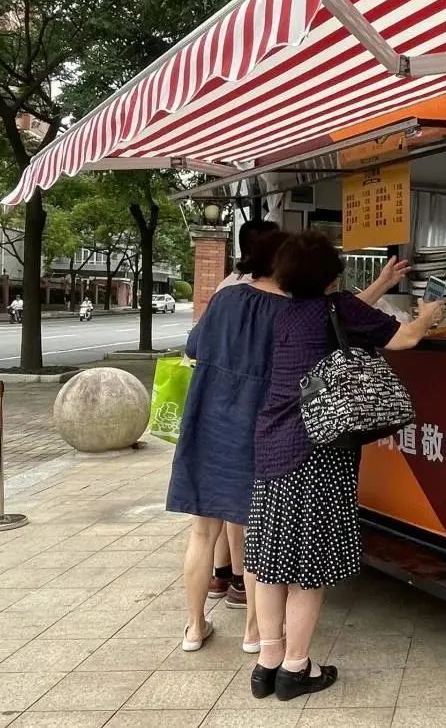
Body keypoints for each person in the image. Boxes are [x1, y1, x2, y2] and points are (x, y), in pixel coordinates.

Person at [246, 230, 443, 701]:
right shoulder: (336, 309)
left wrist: (380, 284)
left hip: (273, 445)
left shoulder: (285, 312)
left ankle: (267, 664)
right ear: (331, 275)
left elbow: (341, 312)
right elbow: (406, 338)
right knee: (308, 568)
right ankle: (296, 669)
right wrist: (429, 313)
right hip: (319, 450)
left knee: (272, 562)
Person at [167, 228, 291, 654]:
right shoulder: (288, 311)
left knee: (202, 533)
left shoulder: (224, 299)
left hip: (208, 420)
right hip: (255, 429)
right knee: (255, 534)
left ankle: (194, 627)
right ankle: (253, 632)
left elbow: (194, 346)